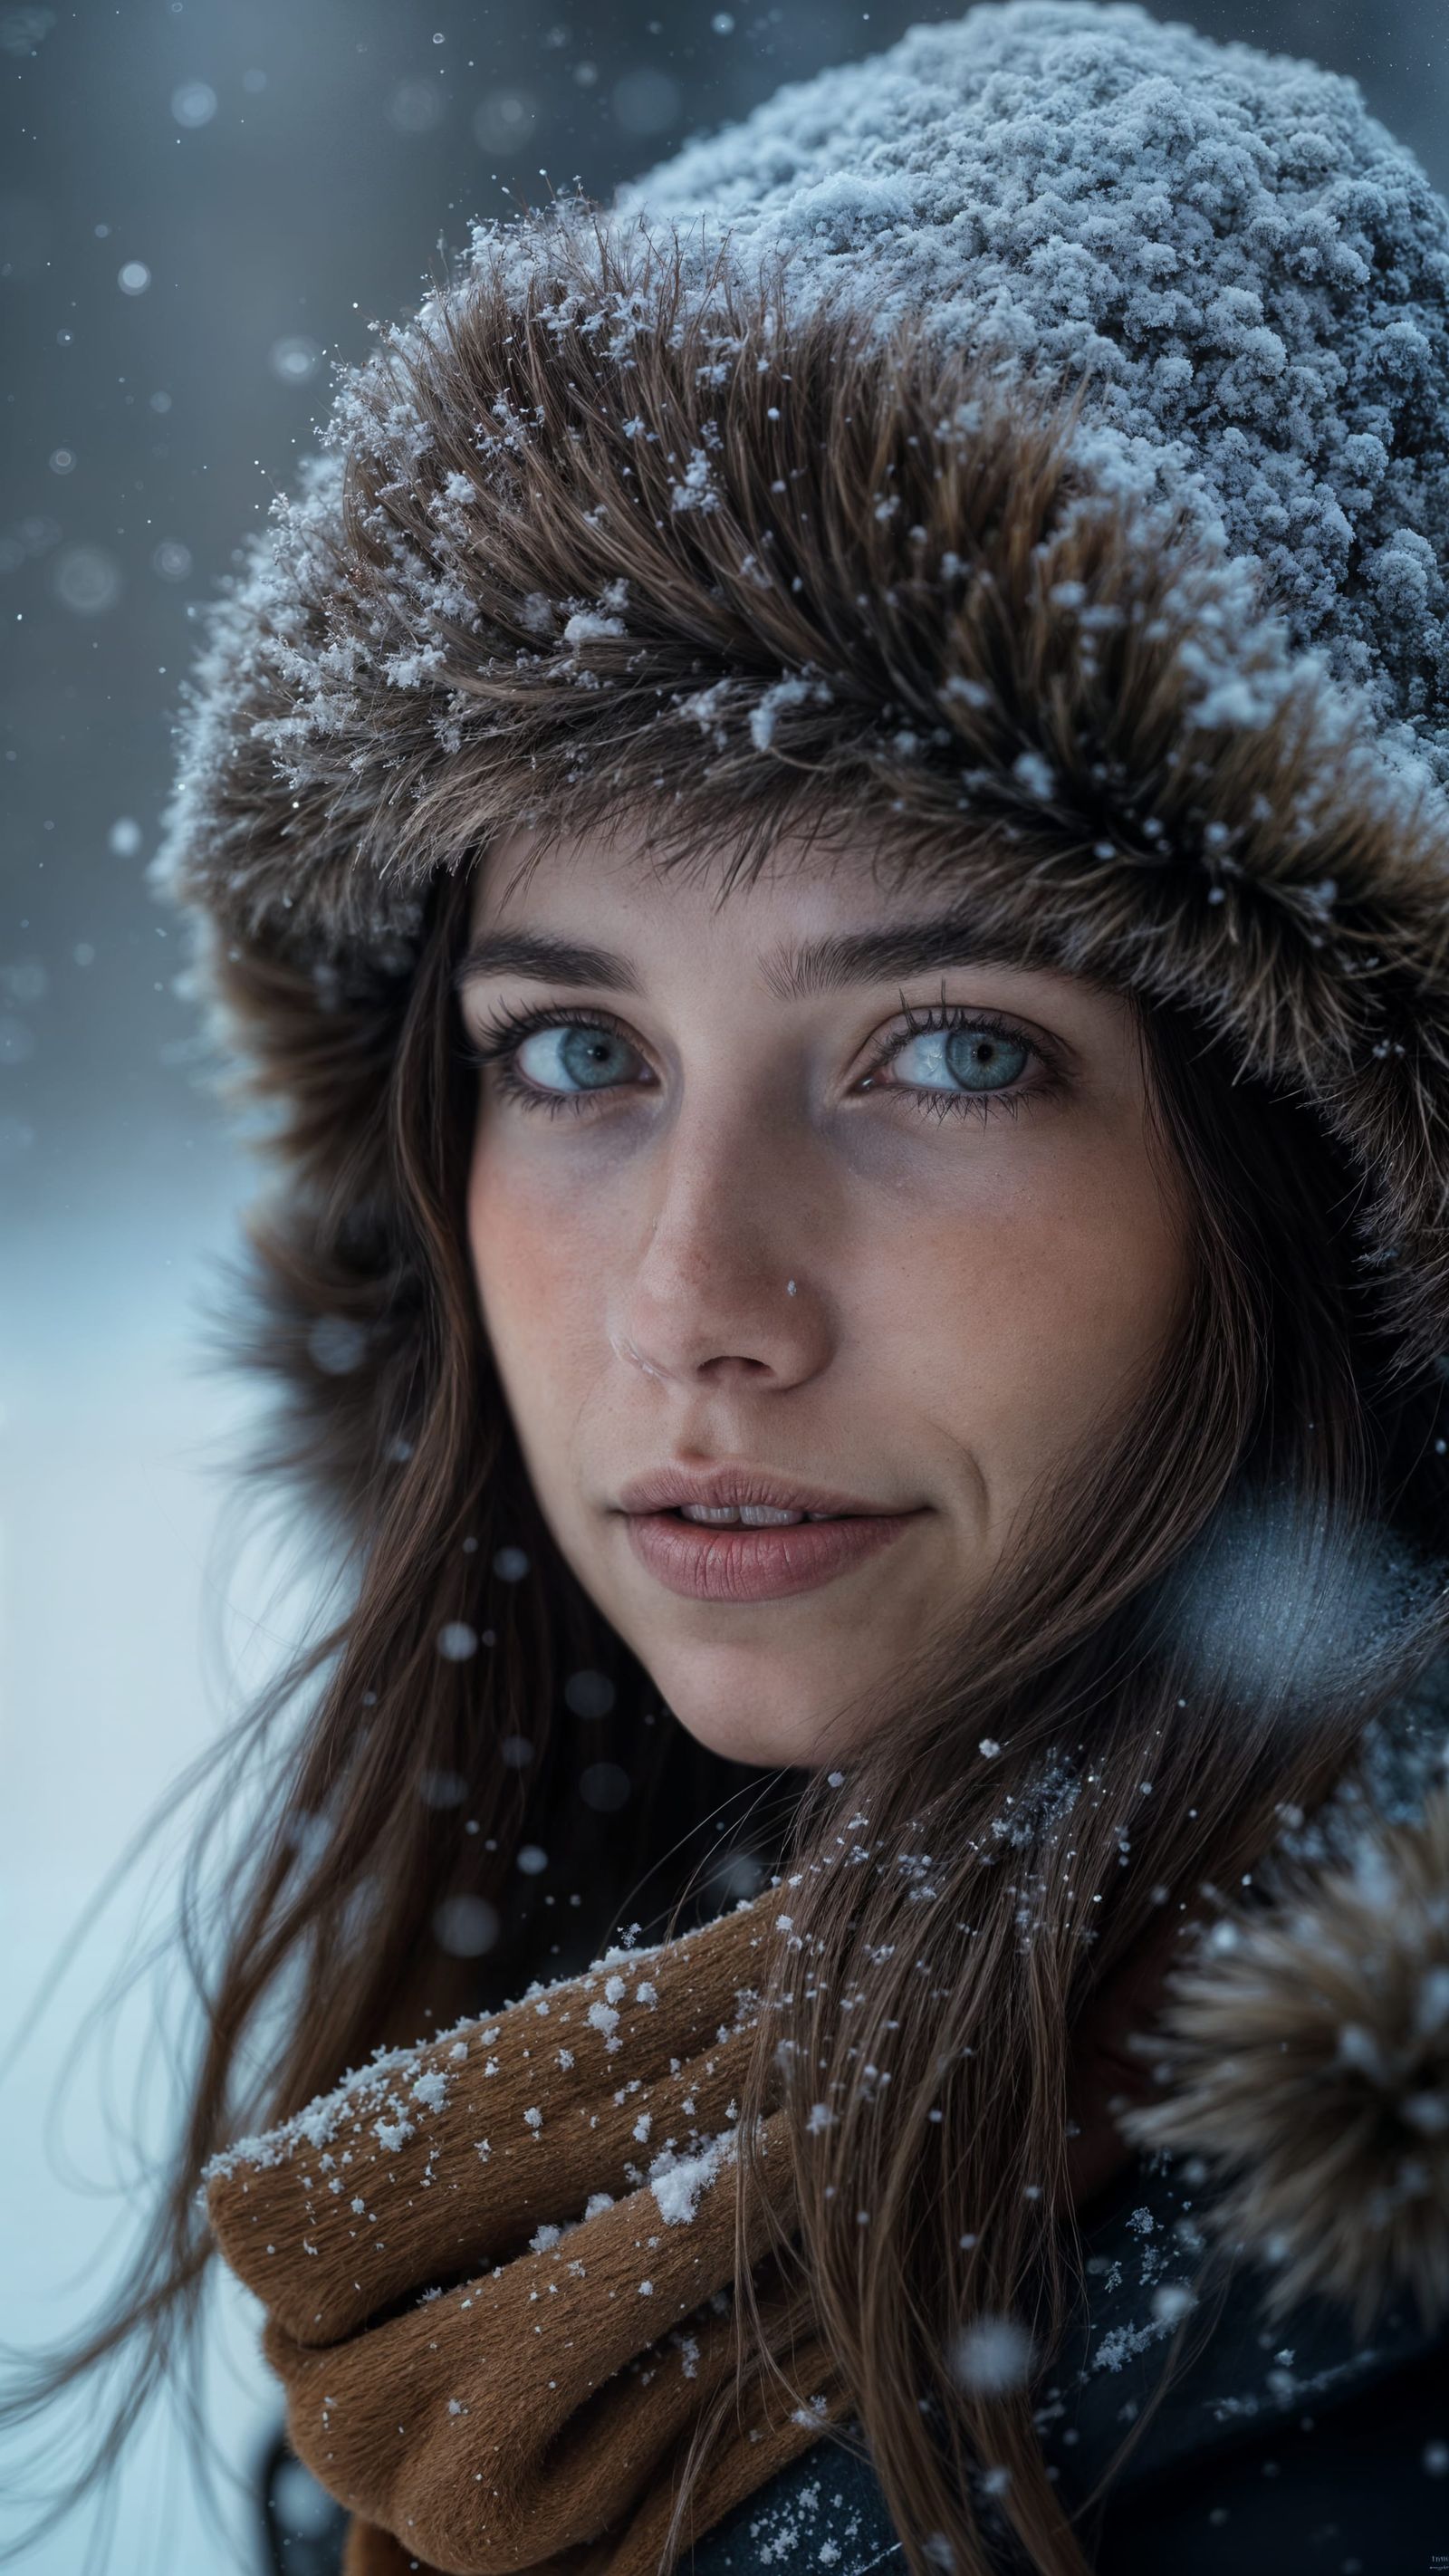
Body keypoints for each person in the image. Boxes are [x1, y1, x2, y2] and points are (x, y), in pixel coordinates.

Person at [21, 4, 1449, 2572]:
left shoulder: (1330, 2421)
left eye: (945, 1048)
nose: (698, 1299)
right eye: (575, 1045)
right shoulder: (613, 2121)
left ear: (1329, 1182)